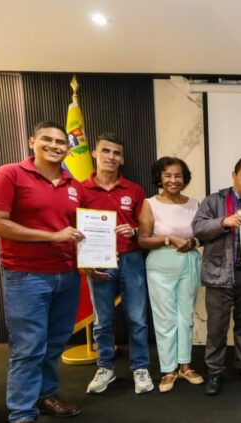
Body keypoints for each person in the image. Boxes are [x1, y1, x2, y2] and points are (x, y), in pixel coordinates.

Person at [0, 121, 85, 423]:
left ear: (68, 148)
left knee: (54, 342)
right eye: (47, 140)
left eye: (60, 142)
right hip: (26, 276)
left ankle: (45, 395)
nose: (55, 146)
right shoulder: (9, 174)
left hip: (67, 275)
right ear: (32, 142)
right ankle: (22, 418)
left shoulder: (73, 185)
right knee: (28, 348)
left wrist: (91, 257)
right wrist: (51, 236)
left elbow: (78, 230)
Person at [82, 133, 154, 396]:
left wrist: (133, 230)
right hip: (97, 263)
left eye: (116, 153)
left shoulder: (134, 190)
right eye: (106, 151)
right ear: (94, 153)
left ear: (122, 159)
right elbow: (73, 228)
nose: (111, 157)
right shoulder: (80, 189)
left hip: (131, 259)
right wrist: (84, 263)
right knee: (102, 321)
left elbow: (145, 229)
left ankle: (140, 368)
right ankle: (105, 367)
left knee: (137, 318)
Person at [192, 157, 241, 395]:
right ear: (234, 175)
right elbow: (198, 228)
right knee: (217, 328)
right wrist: (224, 221)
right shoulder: (214, 201)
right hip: (219, 274)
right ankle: (215, 372)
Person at [138, 157, 202, 393]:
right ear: (160, 178)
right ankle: (168, 370)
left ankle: (185, 366)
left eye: (178, 176)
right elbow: (143, 240)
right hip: (160, 267)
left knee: (185, 317)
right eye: (167, 175)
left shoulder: (194, 204)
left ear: (185, 179)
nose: (173, 180)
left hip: (189, 264)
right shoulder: (150, 204)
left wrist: (193, 242)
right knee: (165, 319)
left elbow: (201, 235)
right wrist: (169, 239)